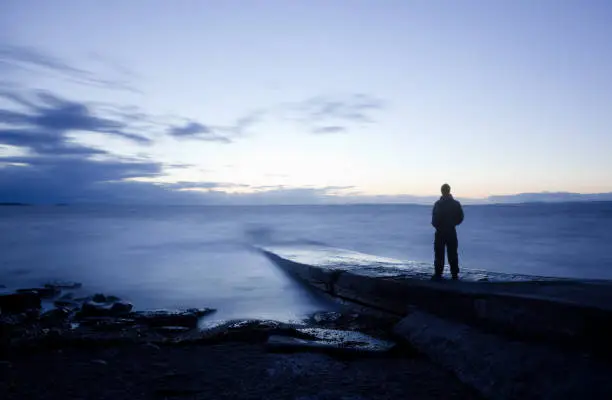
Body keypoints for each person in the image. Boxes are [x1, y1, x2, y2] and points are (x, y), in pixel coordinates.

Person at [431, 183, 464, 280]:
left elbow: (434, 219)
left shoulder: (438, 204)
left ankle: (438, 274)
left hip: (441, 232)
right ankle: (454, 274)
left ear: (442, 191)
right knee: (452, 253)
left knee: (440, 253)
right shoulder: (455, 204)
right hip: (450, 231)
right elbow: (460, 217)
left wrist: (437, 225)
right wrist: (453, 223)